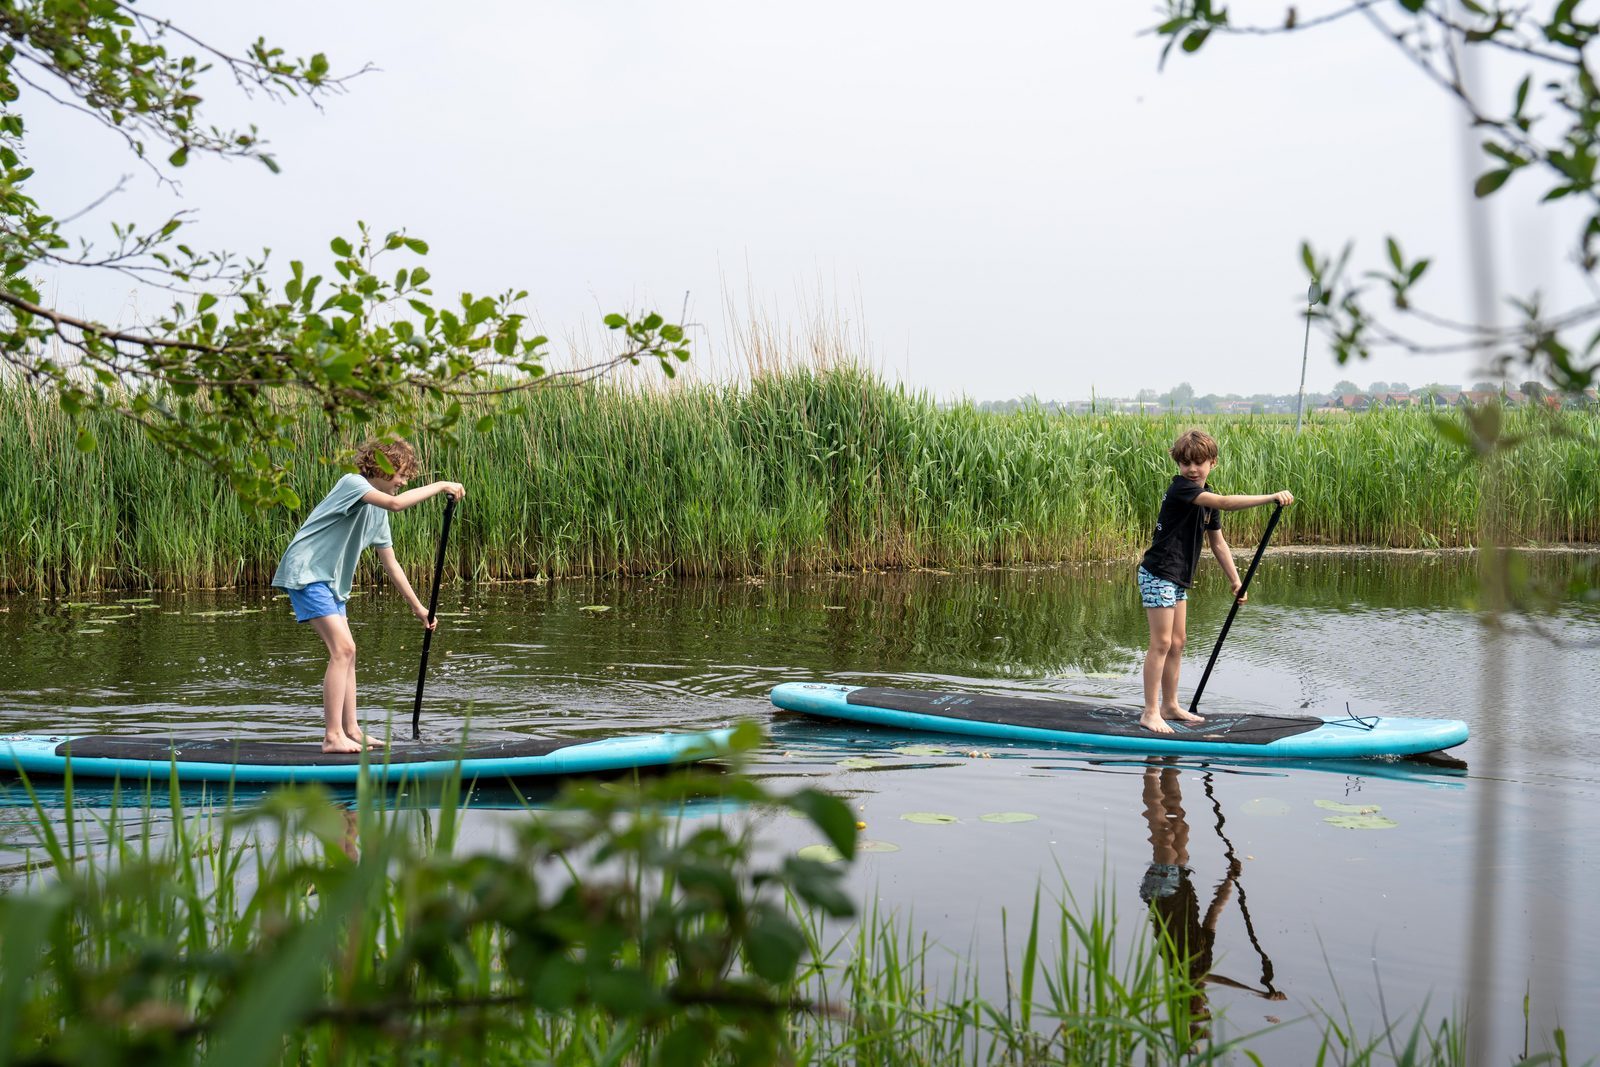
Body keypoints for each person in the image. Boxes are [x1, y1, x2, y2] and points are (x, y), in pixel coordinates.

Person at [270, 439, 465, 753]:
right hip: (306, 573)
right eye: (400, 475)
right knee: (342, 649)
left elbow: (391, 563)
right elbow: (398, 504)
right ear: (382, 467)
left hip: (331, 583)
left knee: (350, 653)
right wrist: (441, 484)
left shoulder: (378, 513)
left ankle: (351, 730)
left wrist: (419, 609)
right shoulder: (353, 484)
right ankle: (332, 736)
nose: (402, 482)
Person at [1136, 428, 1292, 734]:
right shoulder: (1184, 489)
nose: (1192, 469)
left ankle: (1170, 705)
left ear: (1212, 463)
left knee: (1178, 643)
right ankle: (1150, 712)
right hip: (1158, 573)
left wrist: (1236, 581)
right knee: (1162, 643)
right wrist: (1271, 497)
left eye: (1199, 462)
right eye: (1185, 463)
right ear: (1179, 466)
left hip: (1178, 576)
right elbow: (1226, 502)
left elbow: (1218, 543)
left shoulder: (1205, 498)